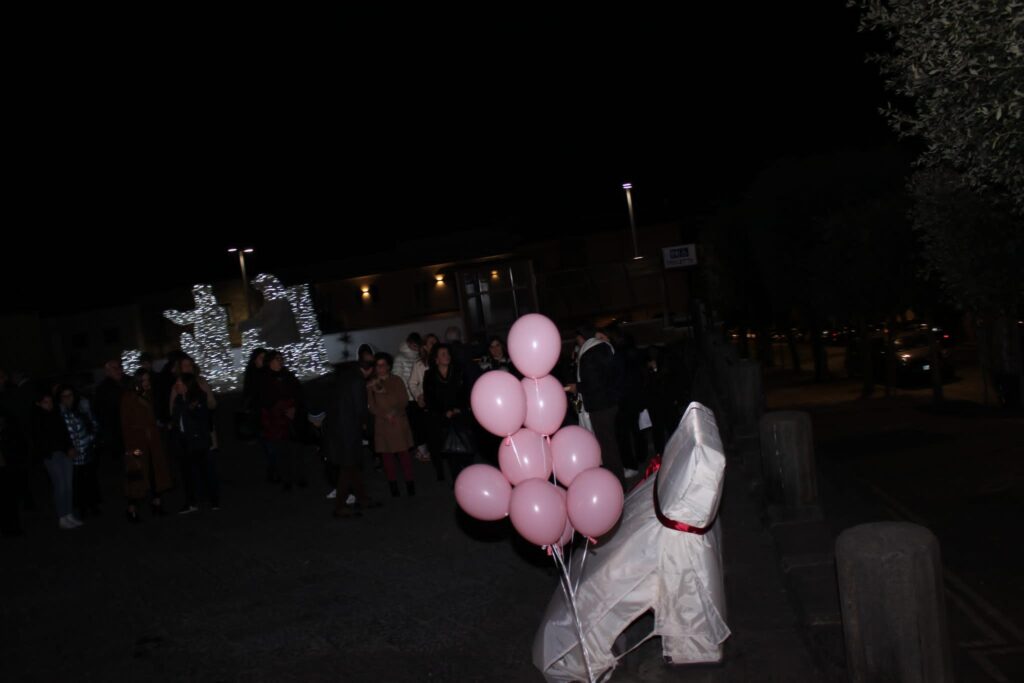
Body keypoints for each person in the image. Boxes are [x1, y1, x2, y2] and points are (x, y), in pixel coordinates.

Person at [121, 370, 172, 521]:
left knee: (155, 472)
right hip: (137, 444)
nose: (147, 383)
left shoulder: (148, 395)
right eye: (144, 380)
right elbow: (126, 424)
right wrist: (131, 448)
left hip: (152, 443)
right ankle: (132, 508)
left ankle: (156, 503)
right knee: (136, 475)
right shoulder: (128, 398)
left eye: (148, 380)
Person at [367, 352, 416, 497]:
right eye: (378, 365)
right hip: (382, 424)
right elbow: (371, 405)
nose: (381, 368)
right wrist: (384, 415)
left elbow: (403, 400)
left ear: (389, 366)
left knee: (404, 456)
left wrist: (393, 412)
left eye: (383, 365)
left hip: (398, 421)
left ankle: (410, 484)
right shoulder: (371, 384)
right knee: (387, 458)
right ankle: (393, 485)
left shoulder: (397, 380)